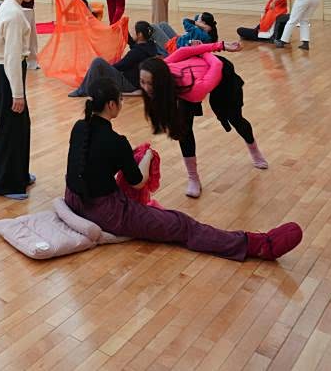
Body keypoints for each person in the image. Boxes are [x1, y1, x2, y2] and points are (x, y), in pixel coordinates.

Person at [65, 75, 302, 262]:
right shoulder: (117, 141)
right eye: (120, 99)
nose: (122, 103)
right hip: (106, 213)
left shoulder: (79, 127)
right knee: (182, 224)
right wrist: (147, 156)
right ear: (111, 104)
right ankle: (256, 244)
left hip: (74, 199)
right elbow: (138, 181)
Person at [140, 38, 269, 200]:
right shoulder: (162, 68)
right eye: (142, 82)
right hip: (189, 76)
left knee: (235, 119)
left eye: (150, 83)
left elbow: (217, 65)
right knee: (183, 130)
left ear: (161, 81)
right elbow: (183, 51)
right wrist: (214, 46)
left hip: (221, 73)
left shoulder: (195, 91)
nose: (145, 88)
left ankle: (255, 151)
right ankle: (193, 178)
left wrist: (207, 51)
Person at [0, 0, 46, 199]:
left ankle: (19, 175)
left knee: (20, 127)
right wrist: (18, 94)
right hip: (6, 74)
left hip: (8, 72)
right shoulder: (13, 14)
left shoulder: (12, 7)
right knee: (9, 129)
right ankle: (5, 184)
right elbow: (12, 57)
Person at [70, 20, 160, 98]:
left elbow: (121, 66)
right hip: (136, 83)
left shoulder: (136, 52)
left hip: (128, 85)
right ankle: (87, 84)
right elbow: (134, 45)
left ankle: (83, 91)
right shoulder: (150, 46)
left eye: (133, 31)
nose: (132, 32)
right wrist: (124, 30)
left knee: (98, 62)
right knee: (101, 65)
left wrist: (107, 67)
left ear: (139, 35)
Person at [5, 0, 47, 70]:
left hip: (29, 9)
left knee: (32, 38)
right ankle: (25, 61)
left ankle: (32, 62)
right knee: (25, 38)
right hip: (23, 10)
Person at [152, 11, 218, 52]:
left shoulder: (197, 31)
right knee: (163, 25)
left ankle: (158, 50)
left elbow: (186, 20)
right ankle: (160, 49)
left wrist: (200, 25)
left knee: (153, 27)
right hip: (180, 42)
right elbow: (196, 17)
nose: (196, 19)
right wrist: (204, 25)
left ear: (203, 23)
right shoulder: (208, 33)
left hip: (175, 48)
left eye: (199, 19)